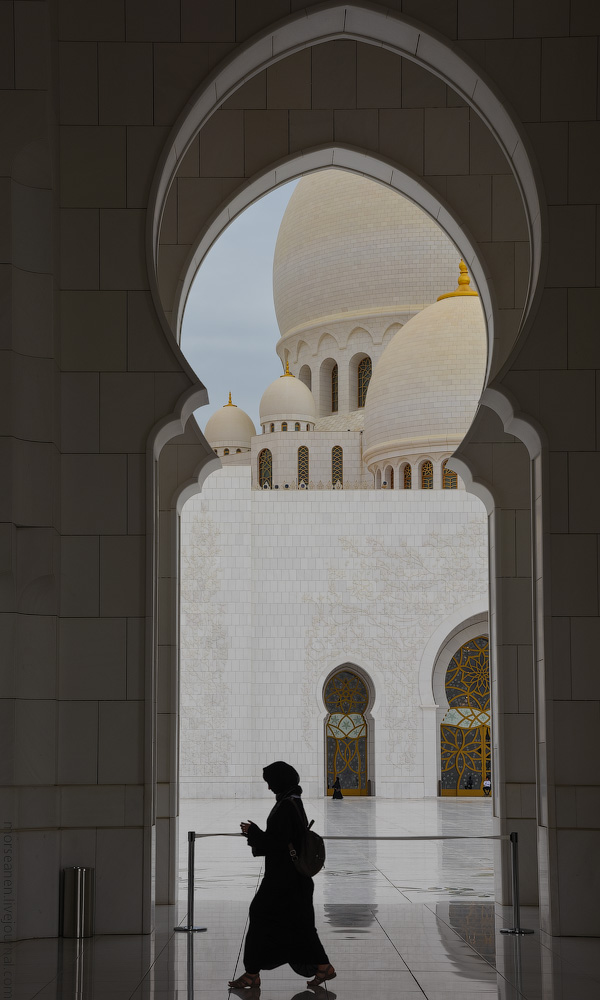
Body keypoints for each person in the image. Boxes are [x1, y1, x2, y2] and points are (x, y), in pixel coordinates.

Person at [228, 761, 336, 991]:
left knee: (261, 914)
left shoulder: (287, 805)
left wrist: (253, 832)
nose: (269, 788)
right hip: (293, 880)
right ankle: (322, 966)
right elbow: (284, 838)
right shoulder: (292, 801)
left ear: (280, 781)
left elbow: (277, 843)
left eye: (270, 782)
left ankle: (252, 973)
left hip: (284, 880)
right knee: (301, 925)